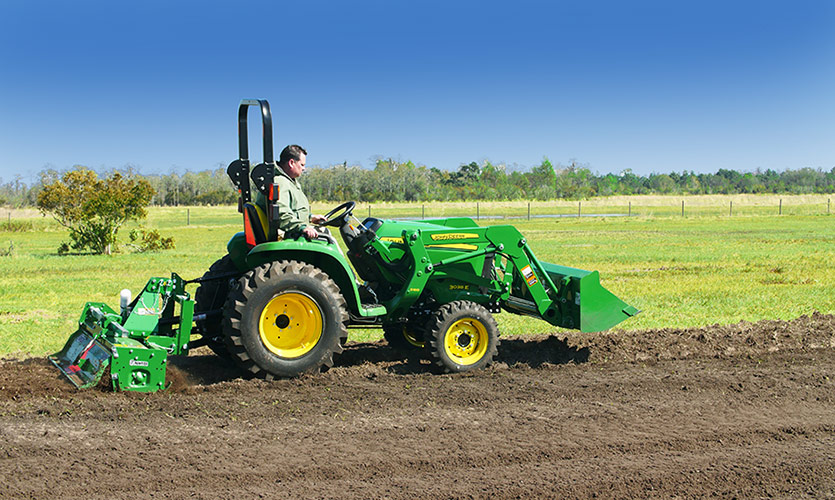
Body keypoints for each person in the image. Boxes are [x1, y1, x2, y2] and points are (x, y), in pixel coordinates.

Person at [259, 144, 325, 239]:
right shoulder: (280, 182)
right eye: (302, 165)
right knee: (326, 237)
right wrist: (302, 227)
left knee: (323, 231)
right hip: (288, 233)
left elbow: (293, 209)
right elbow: (281, 213)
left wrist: (310, 217)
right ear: (291, 163)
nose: (304, 168)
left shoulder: (290, 182)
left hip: (292, 229)